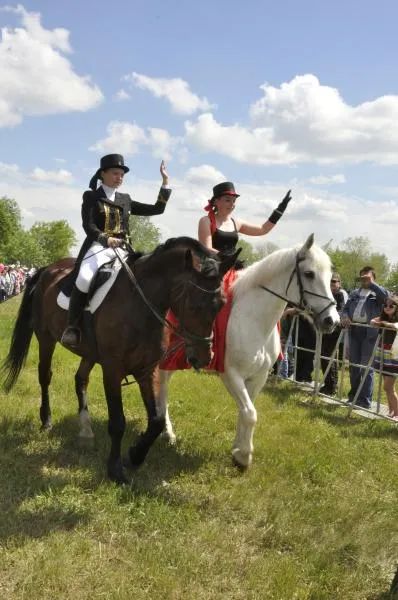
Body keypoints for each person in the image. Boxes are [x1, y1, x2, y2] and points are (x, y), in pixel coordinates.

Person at [161, 181, 292, 372]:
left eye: (233, 200)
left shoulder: (235, 222)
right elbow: (206, 248)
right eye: (228, 200)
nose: (232, 203)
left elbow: (263, 229)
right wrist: (227, 258)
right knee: (214, 307)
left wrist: (279, 210)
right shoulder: (206, 221)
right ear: (217, 202)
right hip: (213, 271)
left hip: (235, 270)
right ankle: (202, 353)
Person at [61, 154, 171, 348]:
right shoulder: (91, 197)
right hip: (98, 246)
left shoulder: (125, 199)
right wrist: (105, 238)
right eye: (115, 173)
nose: (119, 177)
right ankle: (72, 327)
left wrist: (165, 183)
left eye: (122, 174)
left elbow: (157, 209)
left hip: (124, 249)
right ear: (102, 174)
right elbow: (89, 225)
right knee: (85, 277)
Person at [341, 266, 388, 408]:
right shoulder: (355, 293)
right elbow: (345, 309)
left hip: (370, 333)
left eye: (367, 277)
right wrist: (345, 317)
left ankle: (365, 400)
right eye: (362, 277)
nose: (364, 280)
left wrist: (372, 284)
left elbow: (386, 298)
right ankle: (353, 396)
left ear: (373, 278)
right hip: (354, 330)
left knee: (366, 368)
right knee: (354, 365)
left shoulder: (377, 293)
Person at [319, 272, 348, 395]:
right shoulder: (329, 294)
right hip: (328, 328)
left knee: (328, 356)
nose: (332, 284)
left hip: (336, 329)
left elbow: (342, 310)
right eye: (330, 281)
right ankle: (329, 384)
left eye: (334, 282)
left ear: (339, 283)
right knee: (324, 356)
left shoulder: (341, 294)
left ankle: (332, 386)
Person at [370, 295, 398, 419]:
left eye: (391, 305)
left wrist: (384, 323)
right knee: (387, 387)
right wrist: (381, 322)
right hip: (383, 353)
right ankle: (392, 410)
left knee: (388, 386)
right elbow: (372, 321)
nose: (387, 307)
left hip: (394, 355)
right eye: (385, 305)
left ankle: (397, 414)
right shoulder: (384, 317)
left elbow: (394, 326)